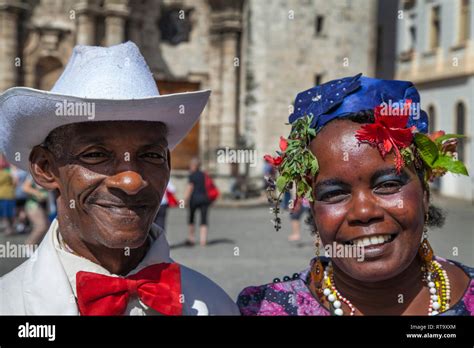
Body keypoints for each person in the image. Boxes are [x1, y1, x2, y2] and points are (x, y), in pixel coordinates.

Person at [0, 41, 239, 315]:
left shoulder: (216, 305)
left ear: (168, 164)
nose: (131, 181)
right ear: (44, 167)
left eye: (151, 156)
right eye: (95, 155)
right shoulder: (8, 305)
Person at [237, 74, 473, 316]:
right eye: (335, 193)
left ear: (424, 194)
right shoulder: (265, 309)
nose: (363, 212)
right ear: (314, 209)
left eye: (388, 184)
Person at [184, 158, 211, 247]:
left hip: (194, 199)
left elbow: (190, 188)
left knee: (191, 218)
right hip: (204, 199)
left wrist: (185, 200)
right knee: (204, 219)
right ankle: (203, 241)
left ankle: (191, 238)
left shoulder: (192, 175)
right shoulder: (204, 174)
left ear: (194, 166)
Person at [22, 174, 49, 245]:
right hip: (33, 205)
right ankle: (29, 245)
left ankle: (36, 246)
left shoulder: (47, 174)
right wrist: (37, 193)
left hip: (43, 205)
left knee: (46, 227)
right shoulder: (32, 175)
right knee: (41, 227)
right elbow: (25, 188)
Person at [0, 154, 15, 235]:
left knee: (6, 213)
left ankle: (8, 228)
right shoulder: (8, 172)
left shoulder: (8, 172)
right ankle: (9, 228)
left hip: (6, 196)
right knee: (8, 213)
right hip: (7, 195)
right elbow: (15, 182)